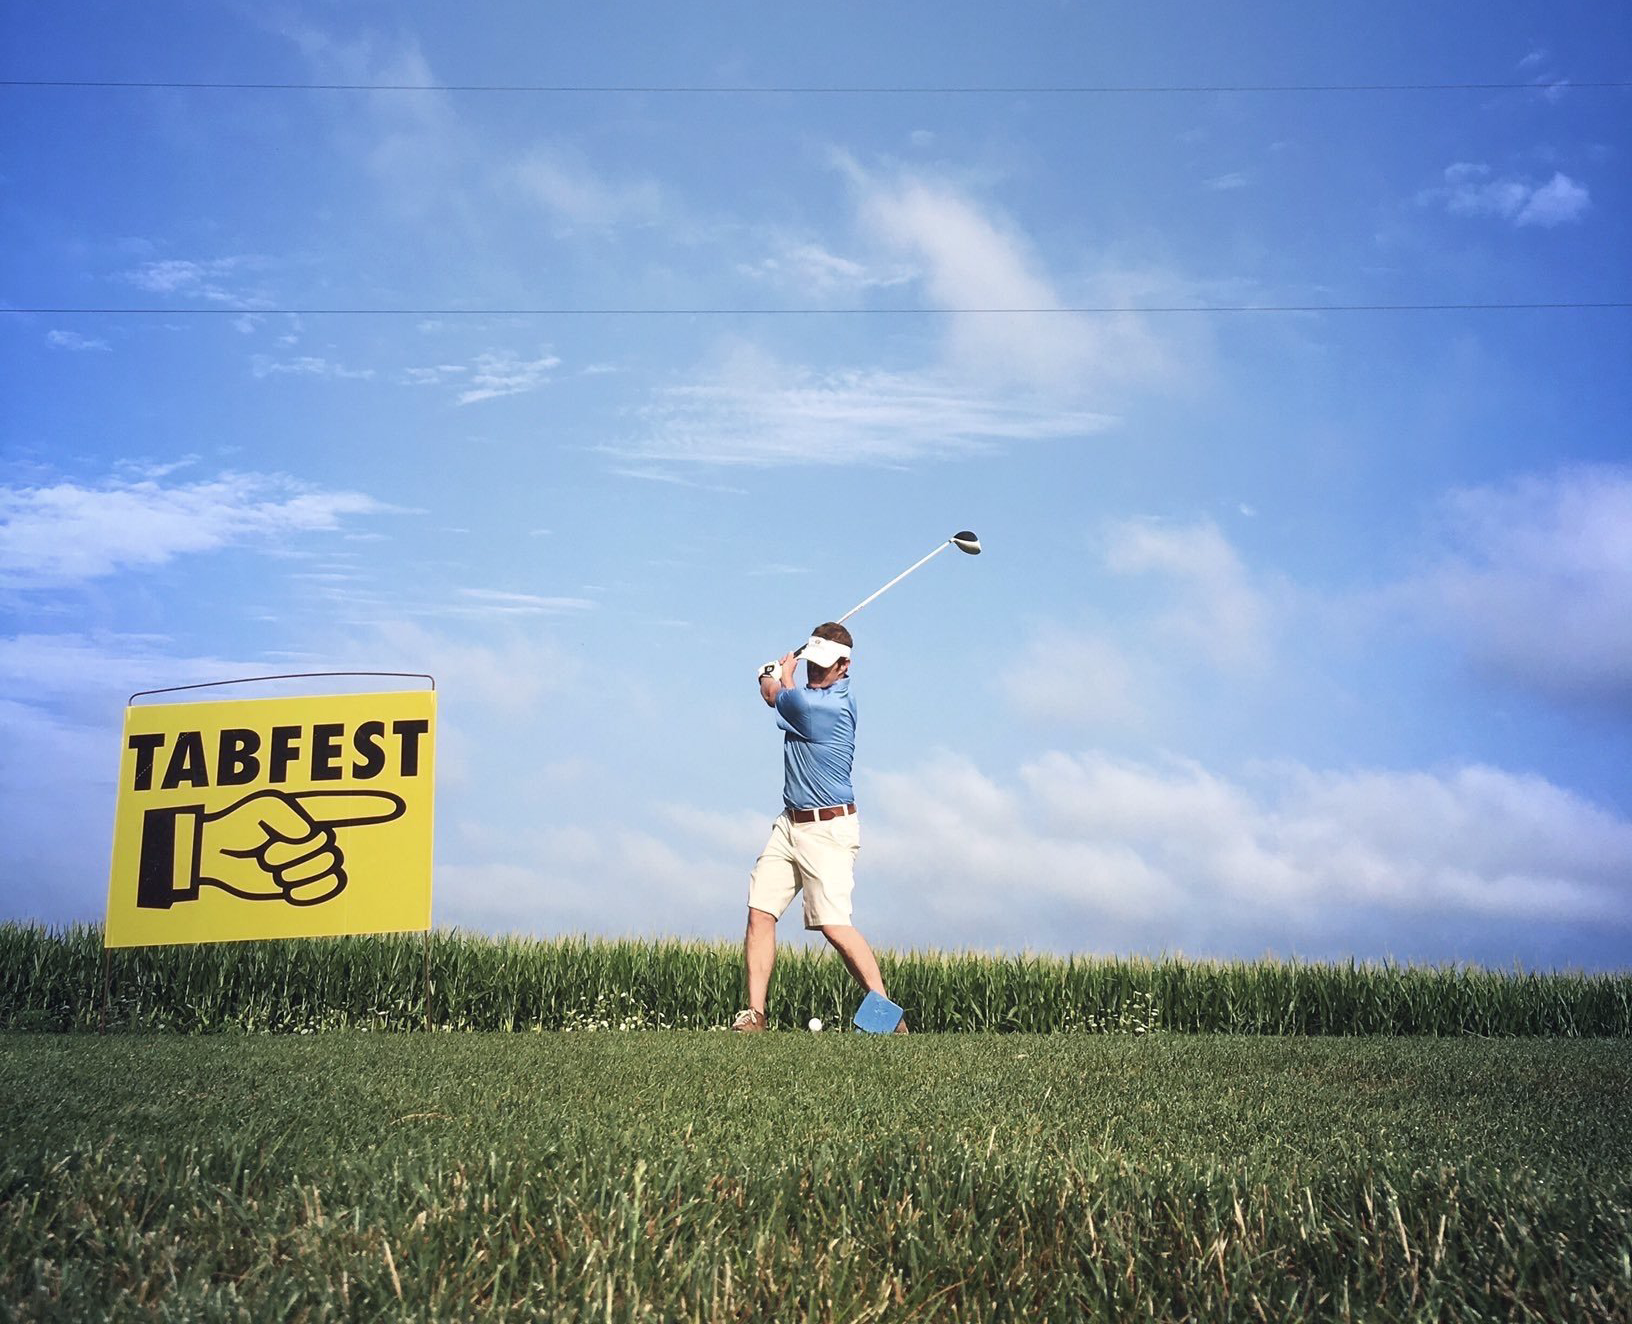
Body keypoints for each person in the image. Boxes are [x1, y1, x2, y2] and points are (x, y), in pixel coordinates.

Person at [731, 622, 905, 1033]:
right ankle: (755, 1015)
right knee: (760, 912)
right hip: (790, 823)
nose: (815, 671)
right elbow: (781, 693)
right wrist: (778, 676)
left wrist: (771, 673)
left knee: (833, 925)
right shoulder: (808, 694)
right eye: (812, 663)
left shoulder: (825, 707)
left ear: (845, 666)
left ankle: (887, 1016)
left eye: (824, 666)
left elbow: (774, 694)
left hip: (829, 830)